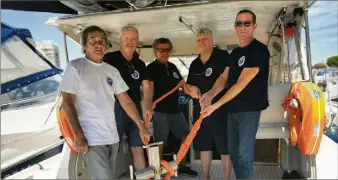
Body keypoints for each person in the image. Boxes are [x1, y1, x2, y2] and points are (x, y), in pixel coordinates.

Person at [59, 25, 151, 180]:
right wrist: (78, 135)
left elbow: (126, 101)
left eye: (101, 41)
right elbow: (67, 102)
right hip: (91, 139)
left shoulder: (111, 70)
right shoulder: (75, 67)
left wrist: (141, 126)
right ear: (84, 46)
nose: (98, 45)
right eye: (93, 41)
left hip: (112, 137)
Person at [200, 10, 270, 179]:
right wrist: (209, 95)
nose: (243, 27)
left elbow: (241, 83)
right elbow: (224, 77)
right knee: (233, 153)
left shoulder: (259, 50)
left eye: (247, 23)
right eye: (239, 24)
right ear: (235, 27)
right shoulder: (236, 53)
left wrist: (216, 105)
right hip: (232, 111)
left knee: (244, 156)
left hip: (249, 112)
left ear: (254, 26)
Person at [103, 25, 153, 170]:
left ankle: (143, 176)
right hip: (115, 108)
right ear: (121, 40)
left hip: (135, 109)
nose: (130, 42)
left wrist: (148, 105)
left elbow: (147, 87)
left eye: (133, 39)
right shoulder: (110, 59)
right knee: (113, 148)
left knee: (138, 148)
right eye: (126, 38)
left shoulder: (140, 64)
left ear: (138, 41)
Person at [146, 38, 198, 177]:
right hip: (159, 110)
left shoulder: (173, 67)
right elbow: (148, 88)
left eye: (167, 50)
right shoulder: (151, 68)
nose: (164, 53)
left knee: (186, 135)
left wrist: (193, 90)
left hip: (175, 110)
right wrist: (149, 106)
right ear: (155, 51)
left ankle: (181, 165)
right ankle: (158, 171)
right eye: (160, 50)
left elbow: (182, 84)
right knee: (160, 141)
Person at [185, 28, 232, 180]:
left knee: (225, 148)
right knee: (204, 146)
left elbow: (224, 79)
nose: (201, 42)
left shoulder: (222, 56)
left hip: (220, 110)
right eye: (198, 40)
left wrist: (210, 95)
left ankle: (226, 178)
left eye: (205, 39)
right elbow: (188, 86)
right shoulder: (194, 64)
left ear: (212, 41)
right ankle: (205, 177)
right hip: (201, 112)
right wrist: (192, 90)